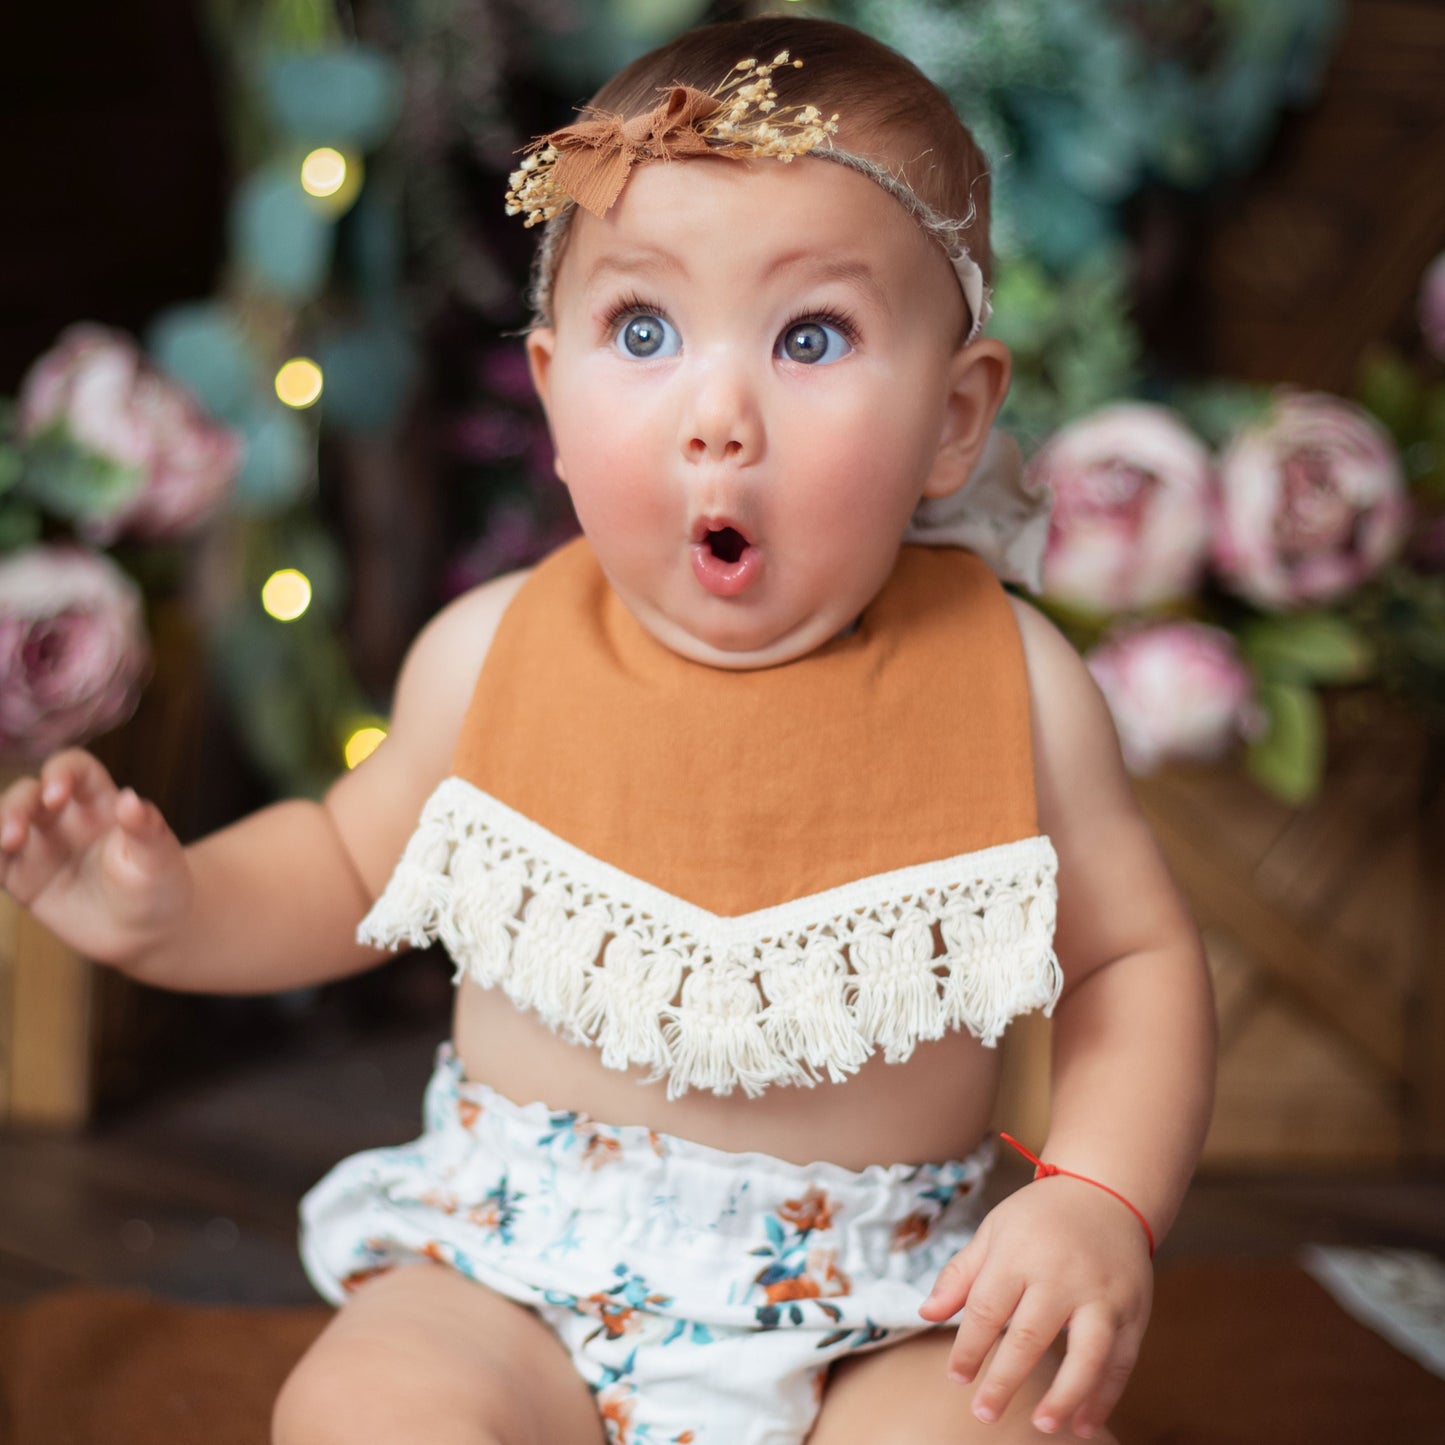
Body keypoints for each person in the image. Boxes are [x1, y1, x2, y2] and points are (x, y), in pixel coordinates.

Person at [0, 15, 1215, 1444]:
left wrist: (1094, 1196)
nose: (717, 413)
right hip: (512, 1284)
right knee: (370, 1409)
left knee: (1001, 1432)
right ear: (551, 391)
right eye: (642, 330)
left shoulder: (1010, 684)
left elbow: (1131, 958)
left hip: (885, 1305)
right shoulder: (492, 652)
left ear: (954, 416)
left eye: (809, 336)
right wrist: (171, 905)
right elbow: (343, 869)